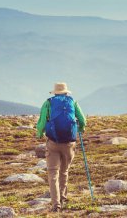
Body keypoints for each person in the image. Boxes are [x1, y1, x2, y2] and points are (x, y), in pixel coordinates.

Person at [36, 82, 86, 212]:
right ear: (66, 92)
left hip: (53, 142)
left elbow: (41, 122)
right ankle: (63, 197)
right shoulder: (73, 102)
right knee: (64, 171)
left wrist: (39, 133)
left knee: (53, 173)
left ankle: (56, 205)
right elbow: (83, 120)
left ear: (55, 92)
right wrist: (81, 129)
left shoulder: (48, 103)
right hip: (69, 143)